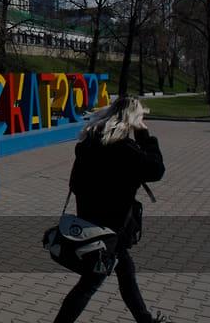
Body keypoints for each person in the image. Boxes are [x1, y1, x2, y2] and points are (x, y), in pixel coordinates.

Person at [54, 96, 166, 323]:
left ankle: (145, 319)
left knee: (125, 270)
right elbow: (156, 170)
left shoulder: (88, 144)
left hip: (90, 222)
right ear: (133, 120)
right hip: (109, 231)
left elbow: (75, 183)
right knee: (89, 284)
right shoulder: (125, 149)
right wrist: (144, 135)